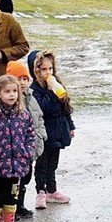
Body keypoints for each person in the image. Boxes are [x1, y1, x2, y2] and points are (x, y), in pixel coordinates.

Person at [0, 75, 35, 222]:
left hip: (17, 165)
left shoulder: (23, 115)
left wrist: (27, 153)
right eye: (7, 91)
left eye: (15, 91)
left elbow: (30, 135)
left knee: (13, 195)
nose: (12, 95)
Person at [27, 50, 75, 209]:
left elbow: (65, 108)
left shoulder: (57, 84)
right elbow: (43, 109)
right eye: (43, 70)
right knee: (42, 163)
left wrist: (70, 125)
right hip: (44, 132)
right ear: (36, 71)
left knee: (53, 162)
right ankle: (40, 191)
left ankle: (52, 191)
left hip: (58, 130)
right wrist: (50, 91)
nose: (48, 73)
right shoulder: (34, 90)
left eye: (50, 69)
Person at [6, 61, 46, 220]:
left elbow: (39, 117)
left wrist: (41, 134)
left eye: (24, 78)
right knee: (13, 182)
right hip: (16, 151)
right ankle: (10, 209)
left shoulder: (31, 97)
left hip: (31, 147)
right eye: (18, 79)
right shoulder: (10, 101)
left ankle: (20, 205)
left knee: (26, 178)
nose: (22, 82)